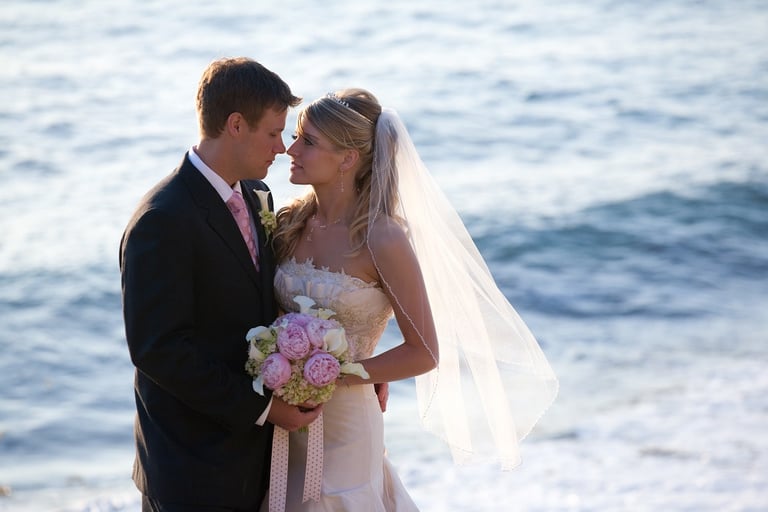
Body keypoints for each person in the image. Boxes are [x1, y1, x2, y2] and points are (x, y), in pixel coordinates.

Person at [265, 89, 559, 511]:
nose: (290, 149)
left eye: (308, 141)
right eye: (296, 135)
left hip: (347, 425)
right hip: (283, 420)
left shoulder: (382, 238)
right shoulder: (289, 223)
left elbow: (423, 352)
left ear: (348, 158)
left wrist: (336, 374)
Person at [119, 57, 322, 512]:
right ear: (235, 125)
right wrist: (265, 410)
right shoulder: (162, 220)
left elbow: (263, 301)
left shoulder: (257, 195)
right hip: (191, 466)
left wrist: (340, 362)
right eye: (273, 133)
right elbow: (159, 349)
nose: (282, 148)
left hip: (256, 463)